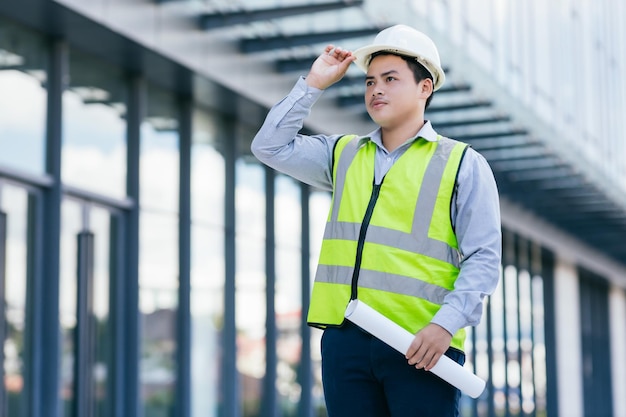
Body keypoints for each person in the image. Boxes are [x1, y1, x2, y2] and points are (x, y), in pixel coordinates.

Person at [251, 24, 501, 417]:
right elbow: (269, 146)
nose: (376, 90)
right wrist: (314, 84)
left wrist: (444, 326)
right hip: (345, 343)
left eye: (390, 79)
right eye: (370, 81)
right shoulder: (344, 154)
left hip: (422, 345)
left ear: (425, 88)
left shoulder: (462, 164)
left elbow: (484, 258)